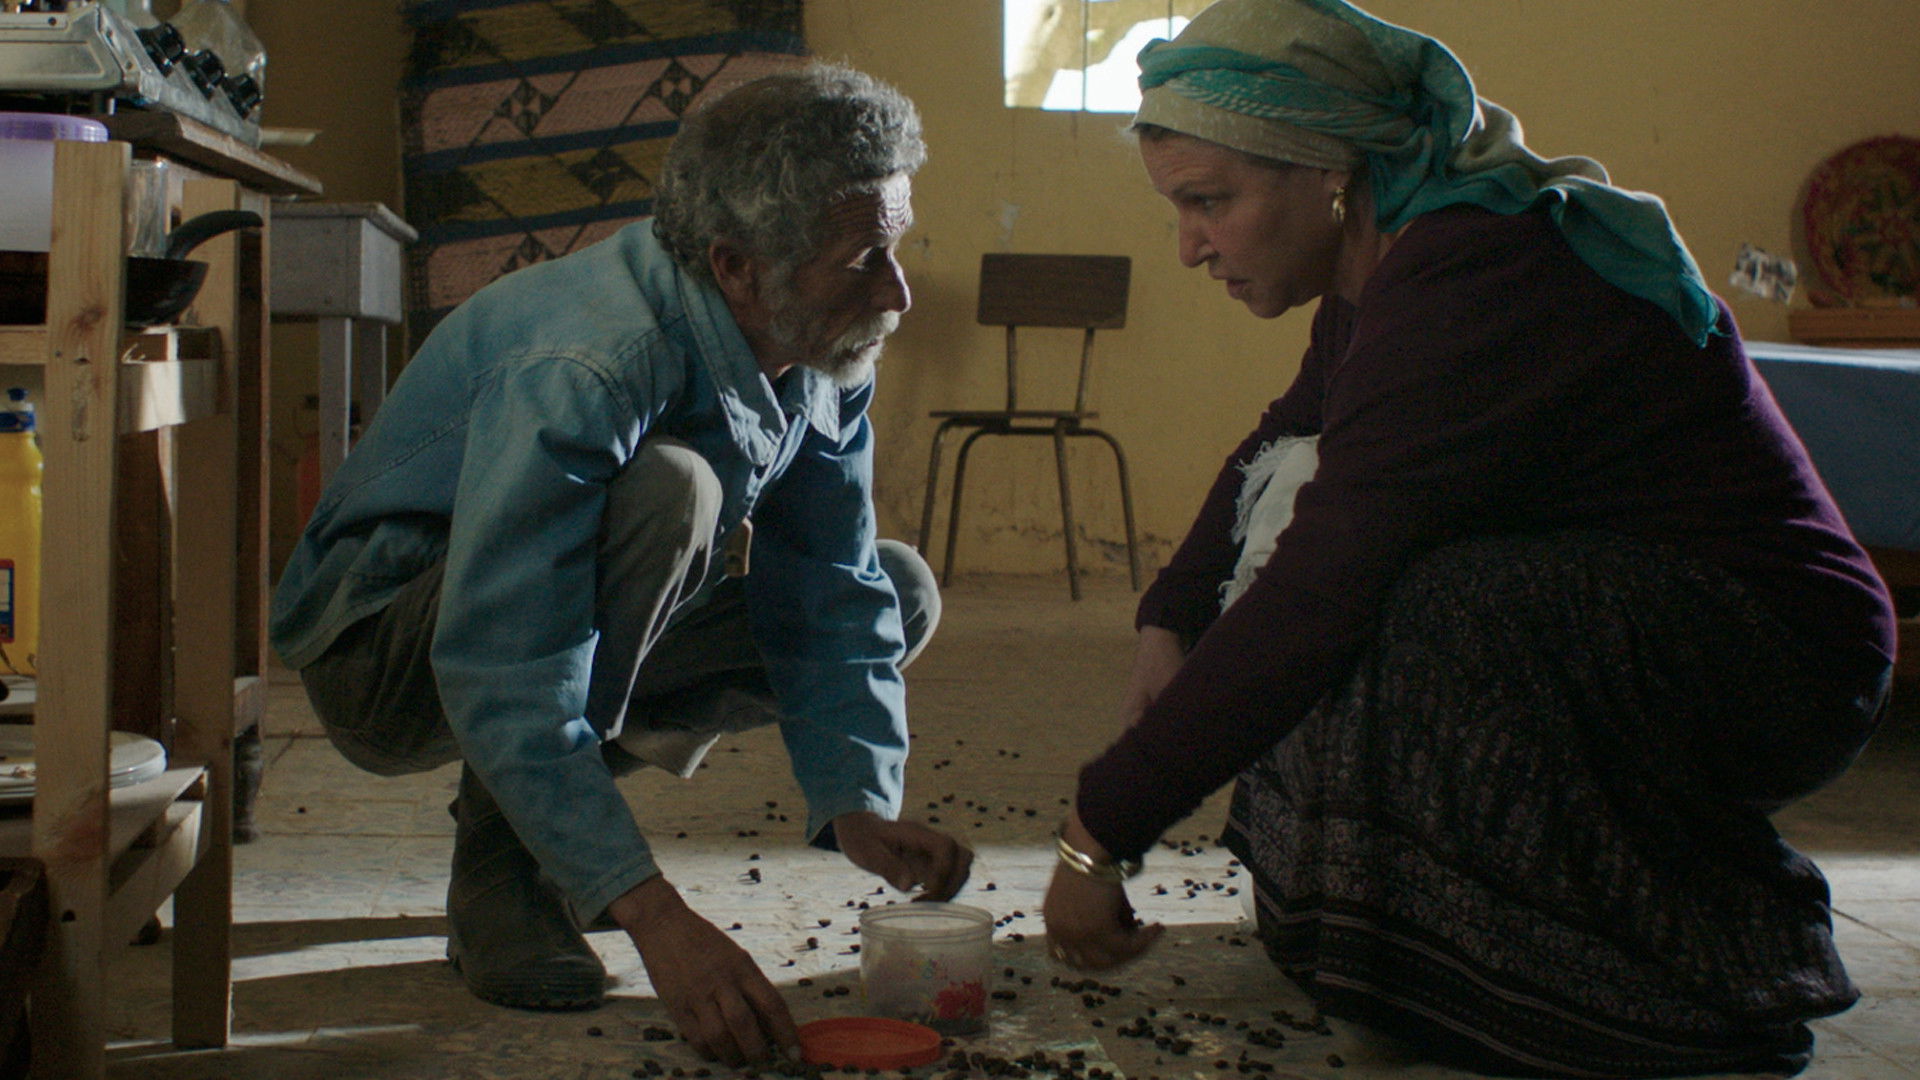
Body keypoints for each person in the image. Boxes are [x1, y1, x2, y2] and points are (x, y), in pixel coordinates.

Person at [1039, 2, 1895, 1076]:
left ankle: (1670, 972)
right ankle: (1396, 944)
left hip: (1771, 654)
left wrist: (1099, 832)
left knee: (1414, 604)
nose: (1189, 247)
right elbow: (1282, 438)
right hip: (1631, 608)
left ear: (1331, 172)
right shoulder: (1388, 271)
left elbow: (1322, 588)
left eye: (1210, 203)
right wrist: (1170, 617)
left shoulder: (1482, 273)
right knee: (1342, 578)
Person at [270, 64, 973, 1065]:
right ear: (737, 267)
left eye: (894, 248)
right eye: (863, 260)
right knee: (669, 492)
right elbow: (506, 660)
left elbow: (828, 581)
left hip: (534, 627)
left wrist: (855, 802)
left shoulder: (820, 337)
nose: (895, 291)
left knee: (895, 591)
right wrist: (652, 911)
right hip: (383, 659)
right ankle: (506, 866)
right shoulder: (592, 362)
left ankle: (544, 838)